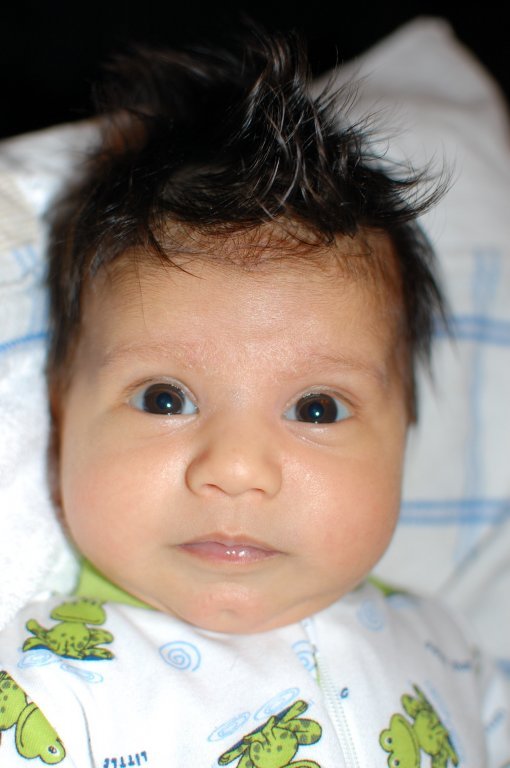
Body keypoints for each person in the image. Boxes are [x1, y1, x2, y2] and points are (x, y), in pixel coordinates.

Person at [0, 25, 508, 767]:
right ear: (59, 410)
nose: (236, 469)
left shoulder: (453, 649)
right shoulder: (45, 686)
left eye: (316, 409)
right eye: (164, 398)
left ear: (404, 433)